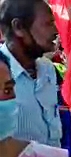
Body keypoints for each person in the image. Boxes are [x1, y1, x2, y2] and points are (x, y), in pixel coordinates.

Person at [0, 0, 61, 147]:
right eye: (48, 23)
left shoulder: (47, 70)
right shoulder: (2, 75)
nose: (55, 31)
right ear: (19, 27)